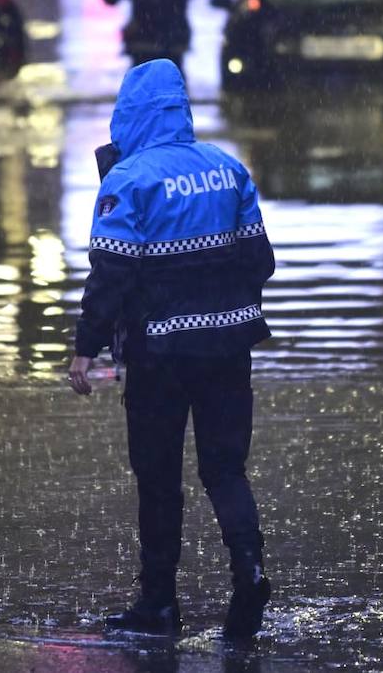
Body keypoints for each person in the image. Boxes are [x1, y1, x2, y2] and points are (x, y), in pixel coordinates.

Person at [66, 59, 275, 640]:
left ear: (128, 114)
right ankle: (250, 571)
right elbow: (262, 262)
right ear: (182, 108)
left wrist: (85, 350)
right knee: (225, 470)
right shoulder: (228, 170)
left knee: (159, 478)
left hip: (159, 359)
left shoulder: (128, 181)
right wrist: (217, 298)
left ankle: (159, 605)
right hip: (229, 350)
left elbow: (110, 275)